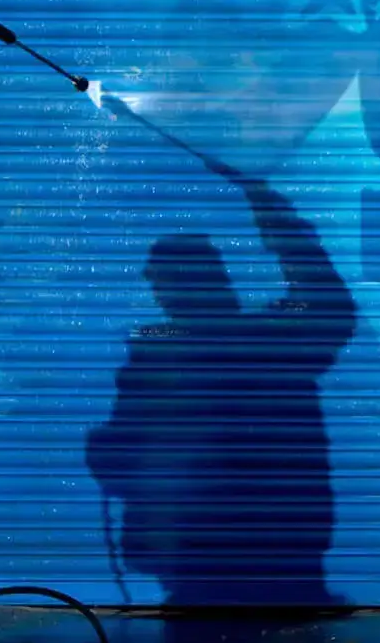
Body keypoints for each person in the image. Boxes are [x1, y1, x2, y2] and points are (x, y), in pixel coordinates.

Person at [87, 166, 356, 613]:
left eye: (166, 283)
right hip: (264, 554)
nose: (163, 296)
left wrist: (104, 451)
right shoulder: (271, 339)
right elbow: (328, 303)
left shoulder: (169, 353)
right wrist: (281, 224)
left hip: (213, 561)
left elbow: (120, 457)